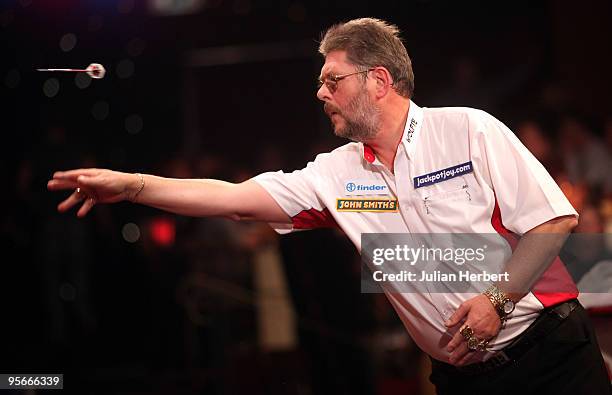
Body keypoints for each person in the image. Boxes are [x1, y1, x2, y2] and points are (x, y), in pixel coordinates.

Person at [47, 18, 611, 394]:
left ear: (379, 81)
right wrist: (135, 186)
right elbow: (237, 201)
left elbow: (554, 219)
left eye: (332, 80)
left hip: (551, 359)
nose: (320, 93)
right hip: (463, 381)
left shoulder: (468, 130)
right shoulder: (338, 173)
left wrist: (494, 301)